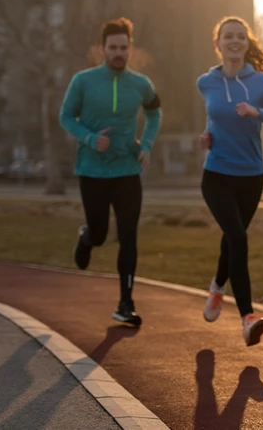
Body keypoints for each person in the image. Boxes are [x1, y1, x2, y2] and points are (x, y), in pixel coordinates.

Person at [196, 16, 263, 346]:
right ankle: (248, 316)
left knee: (232, 238)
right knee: (237, 236)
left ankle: (216, 287)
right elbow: (215, 114)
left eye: (240, 36)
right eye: (228, 36)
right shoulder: (206, 82)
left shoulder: (262, 84)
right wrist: (207, 135)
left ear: (247, 43)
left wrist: (257, 112)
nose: (235, 41)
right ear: (218, 44)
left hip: (251, 176)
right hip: (216, 174)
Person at [59, 17, 163, 327]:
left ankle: (125, 303)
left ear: (131, 49)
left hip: (127, 170)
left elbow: (155, 114)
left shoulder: (141, 84)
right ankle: (87, 236)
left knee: (129, 236)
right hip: (92, 170)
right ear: (102, 49)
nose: (118, 52)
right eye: (112, 47)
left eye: (123, 47)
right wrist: (91, 138)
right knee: (101, 234)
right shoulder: (83, 81)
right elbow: (66, 117)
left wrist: (145, 144)